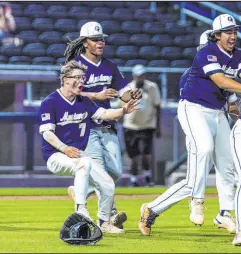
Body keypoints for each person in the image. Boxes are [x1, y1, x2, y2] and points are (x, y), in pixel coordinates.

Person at [138, 14, 241, 236]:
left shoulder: (237, 54)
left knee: (228, 165)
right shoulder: (206, 53)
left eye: (234, 31)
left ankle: (223, 212)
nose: (232, 35)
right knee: (203, 154)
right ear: (216, 36)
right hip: (194, 111)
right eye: (227, 32)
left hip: (217, 113)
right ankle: (195, 201)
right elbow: (221, 81)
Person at [39, 60, 140, 233]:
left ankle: (104, 222)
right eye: (77, 77)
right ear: (65, 79)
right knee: (84, 163)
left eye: (83, 78)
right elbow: (47, 133)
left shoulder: (83, 101)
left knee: (108, 183)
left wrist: (123, 111)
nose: (81, 81)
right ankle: (81, 210)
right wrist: (64, 148)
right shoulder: (50, 102)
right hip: (55, 156)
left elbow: (105, 113)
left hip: (78, 156)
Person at [64, 21, 140, 229]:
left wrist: (130, 96)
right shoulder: (74, 67)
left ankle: (83, 189)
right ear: (85, 43)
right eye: (96, 39)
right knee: (103, 172)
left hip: (107, 123)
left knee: (115, 172)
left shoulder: (109, 66)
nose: (100, 42)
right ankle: (108, 217)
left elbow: (122, 91)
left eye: (102, 39)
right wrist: (95, 95)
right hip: (84, 126)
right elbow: (69, 94)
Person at [122, 64, 161, 187]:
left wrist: (158, 127)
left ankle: (147, 176)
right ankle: (134, 179)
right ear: (134, 76)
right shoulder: (127, 89)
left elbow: (158, 106)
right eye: (138, 75)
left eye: (142, 75)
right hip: (130, 125)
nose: (140, 78)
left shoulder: (152, 87)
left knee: (145, 152)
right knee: (133, 155)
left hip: (147, 125)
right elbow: (121, 107)